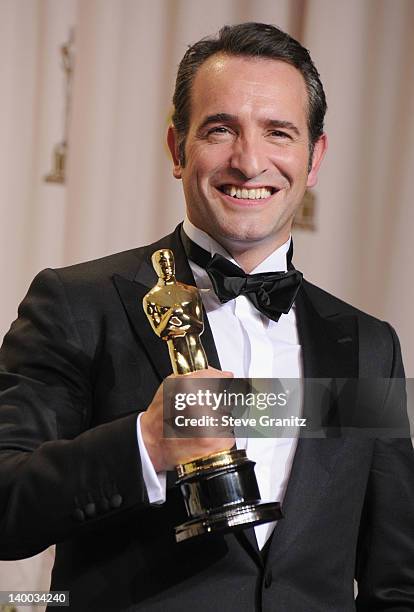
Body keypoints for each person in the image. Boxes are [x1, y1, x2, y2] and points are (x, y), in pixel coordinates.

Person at [0, 22, 413, 612]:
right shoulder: (77, 304)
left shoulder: (369, 347)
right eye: (221, 130)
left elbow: (396, 581)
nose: (249, 162)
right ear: (177, 148)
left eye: (279, 133)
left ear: (314, 157)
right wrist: (144, 444)